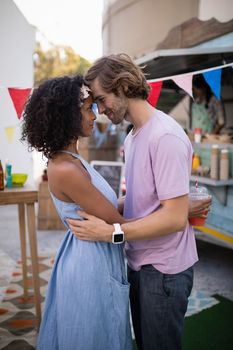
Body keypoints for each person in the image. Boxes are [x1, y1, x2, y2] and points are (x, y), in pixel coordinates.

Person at [67, 54, 212, 350]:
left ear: (121, 86)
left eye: (101, 98)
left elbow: (173, 218)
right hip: (140, 264)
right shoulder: (133, 137)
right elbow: (143, 199)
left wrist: (112, 233)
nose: (100, 109)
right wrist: (103, 206)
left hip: (164, 272)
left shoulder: (165, 136)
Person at [21, 75, 133, 350]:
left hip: (92, 254)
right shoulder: (67, 169)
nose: (95, 115)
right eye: (88, 108)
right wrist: (177, 211)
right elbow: (119, 223)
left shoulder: (71, 159)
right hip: (90, 265)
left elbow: (106, 208)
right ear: (67, 115)